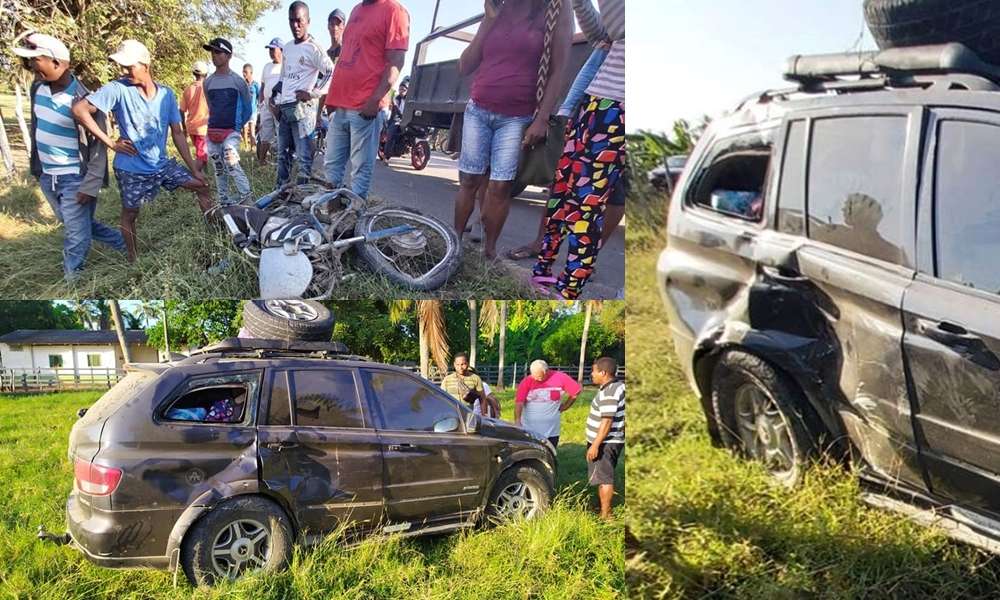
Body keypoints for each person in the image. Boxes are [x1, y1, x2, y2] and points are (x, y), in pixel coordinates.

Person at [452, 0, 572, 260]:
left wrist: (541, 119)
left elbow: (558, 71)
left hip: (517, 117)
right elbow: (465, 66)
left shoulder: (556, 9)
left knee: (500, 187)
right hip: (478, 109)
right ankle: (454, 245)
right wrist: (490, 20)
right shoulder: (497, 7)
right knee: (469, 181)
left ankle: (489, 253)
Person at [72, 39, 211, 263]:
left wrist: (193, 167)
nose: (124, 71)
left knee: (202, 186)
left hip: (162, 165)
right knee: (130, 213)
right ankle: (133, 259)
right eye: (123, 67)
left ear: (145, 65)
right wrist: (110, 142)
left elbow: (177, 133)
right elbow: (79, 110)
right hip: (131, 169)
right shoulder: (117, 89)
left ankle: (217, 234)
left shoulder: (166, 94)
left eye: (129, 67)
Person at [532, 0, 625, 299]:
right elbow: (603, 33)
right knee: (561, 191)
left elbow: (619, 26)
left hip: (617, 111)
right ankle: (544, 269)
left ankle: (569, 289)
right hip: (594, 103)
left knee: (588, 204)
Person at [14, 32, 126, 281]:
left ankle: (72, 280)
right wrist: (38, 169)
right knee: (77, 224)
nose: (32, 66)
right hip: (47, 176)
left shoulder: (85, 99)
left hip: (75, 177)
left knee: (76, 234)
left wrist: (91, 183)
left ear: (58, 62)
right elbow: (38, 127)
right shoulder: (37, 89)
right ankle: (123, 242)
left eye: (37, 60)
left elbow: (98, 145)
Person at [505, 39, 627, 261]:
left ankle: (588, 258)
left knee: (616, 194)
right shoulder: (619, 24)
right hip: (599, 110)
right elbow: (597, 58)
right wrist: (567, 109)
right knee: (563, 180)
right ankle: (541, 243)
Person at [323, 0, 410, 199]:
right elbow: (348, 55)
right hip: (341, 105)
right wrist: (332, 99)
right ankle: (331, 218)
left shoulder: (394, 10)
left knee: (359, 173)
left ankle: (353, 224)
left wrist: (374, 100)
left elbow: (396, 61)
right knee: (330, 170)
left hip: (364, 108)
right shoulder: (356, 10)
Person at [274, 1, 334, 187]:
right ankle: (281, 192)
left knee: (303, 158)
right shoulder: (289, 47)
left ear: (308, 21)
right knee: (282, 155)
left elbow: (331, 72)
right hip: (286, 109)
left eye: (299, 21)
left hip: (303, 111)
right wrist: (275, 98)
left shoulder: (314, 47)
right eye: (292, 21)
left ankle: (302, 197)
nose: (295, 25)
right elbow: (284, 77)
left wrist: (312, 93)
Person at [202, 38, 253, 206]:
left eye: (218, 52)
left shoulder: (238, 81)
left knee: (231, 161)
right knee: (218, 166)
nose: (214, 56)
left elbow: (247, 108)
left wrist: (236, 127)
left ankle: (247, 198)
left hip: (231, 131)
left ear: (228, 55)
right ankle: (223, 200)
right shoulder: (208, 82)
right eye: (212, 52)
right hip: (213, 131)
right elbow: (211, 106)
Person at [587, 356, 624, 519]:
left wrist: (595, 444)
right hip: (611, 439)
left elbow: (607, 421)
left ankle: (606, 514)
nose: (592, 374)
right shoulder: (616, 386)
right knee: (603, 474)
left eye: (594, 371)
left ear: (603, 372)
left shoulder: (610, 392)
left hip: (605, 442)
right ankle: (602, 506)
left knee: (605, 478)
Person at [515, 359, 581, 447]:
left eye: (539, 377)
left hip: (552, 430)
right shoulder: (527, 381)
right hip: (530, 428)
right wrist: (517, 420)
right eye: (533, 376)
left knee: (550, 452)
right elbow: (519, 402)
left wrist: (565, 406)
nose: (536, 379)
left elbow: (575, 391)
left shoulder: (560, 377)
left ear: (546, 371)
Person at [440, 353, 500, 418]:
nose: (460, 367)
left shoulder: (476, 379)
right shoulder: (447, 380)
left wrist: (484, 416)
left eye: (463, 364)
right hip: (451, 415)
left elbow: (482, 399)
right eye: (457, 365)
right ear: (454, 364)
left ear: (467, 364)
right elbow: (441, 398)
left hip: (468, 415)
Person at [179, 61, 211, 173]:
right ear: (206, 74)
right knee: (201, 155)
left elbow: (181, 110)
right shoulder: (208, 89)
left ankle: (205, 174)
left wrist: (184, 127)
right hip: (203, 128)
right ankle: (194, 176)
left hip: (191, 127)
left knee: (201, 152)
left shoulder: (188, 89)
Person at [257, 38, 283, 164]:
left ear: (281, 50)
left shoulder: (286, 66)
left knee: (281, 133)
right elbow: (262, 85)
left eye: (273, 49)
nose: (271, 52)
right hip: (266, 104)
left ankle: (282, 161)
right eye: (270, 50)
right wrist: (261, 102)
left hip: (280, 103)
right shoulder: (267, 67)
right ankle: (262, 161)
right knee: (265, 133)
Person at [381, 75, 408, 161]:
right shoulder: (396, 98)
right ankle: (386, 155)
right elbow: (395, 113)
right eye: (400, 89)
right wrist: (395, 106)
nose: (401, 91)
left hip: (408, 120)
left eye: (404, 90)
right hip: (396, 119)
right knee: (391, 133)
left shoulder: (409, 100)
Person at [241, 63, 260, 152]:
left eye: (246, 72)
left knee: (252, 129)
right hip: (244, 111)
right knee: (245, 129)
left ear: (251, 73)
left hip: (253, 111)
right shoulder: (242, 85)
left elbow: (259, 96)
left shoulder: (255, 85)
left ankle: (253, 146)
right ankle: (246, 146)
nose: (244, 74)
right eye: (243, 72)